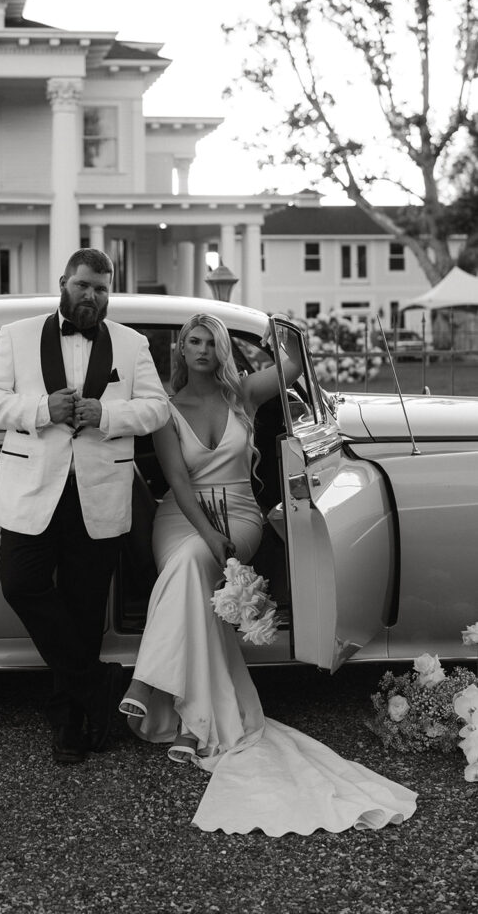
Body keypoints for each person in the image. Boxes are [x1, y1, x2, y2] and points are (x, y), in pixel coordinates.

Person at [119, 313, 417, 835]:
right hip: (181, 516)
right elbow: (178, 484)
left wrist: (286, 328)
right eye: (193, 341)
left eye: (212, 341)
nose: (203, 350)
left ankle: (151, 685)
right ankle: (195, 723)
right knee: (191, 563)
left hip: (240, 514)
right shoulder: (165, 408)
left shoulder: (243, 396)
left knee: (193, 572)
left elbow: (293, 364)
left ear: (223, 350)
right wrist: (207, 536)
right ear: (180, 351)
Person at [0, 248, 169, 766]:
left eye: (102, 289)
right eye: (84, 285)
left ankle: (71, 723)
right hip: (32, 491)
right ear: (64, 282)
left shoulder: (132, 344)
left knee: (85, 611)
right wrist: (41, 409)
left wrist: (107, 413)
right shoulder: (17, 335)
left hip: (99, 494)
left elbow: (156, 409)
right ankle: (95, 680)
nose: (92, 296)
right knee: (20, 583)